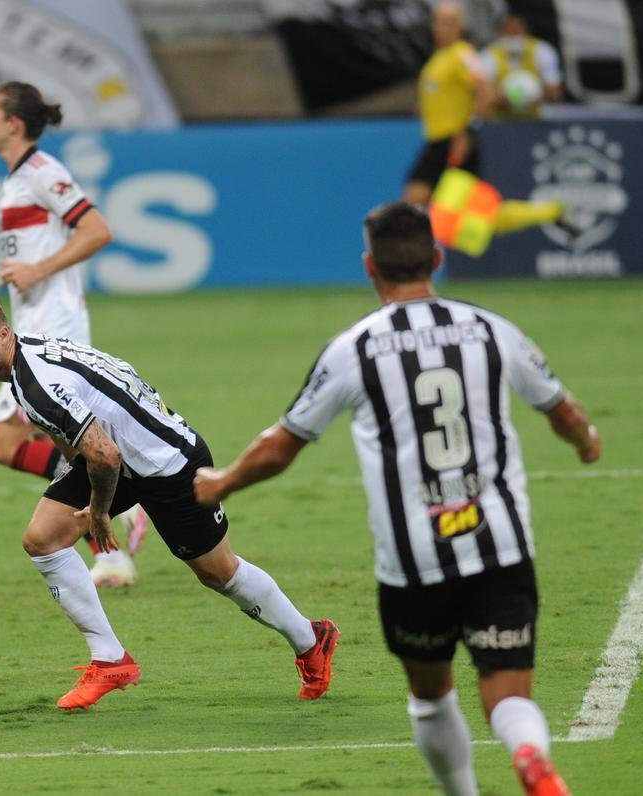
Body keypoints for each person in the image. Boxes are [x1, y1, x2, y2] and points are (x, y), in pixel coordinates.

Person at [194, 201, 600, 795]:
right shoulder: (491, 328)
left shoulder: (354, 348)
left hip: (414, 562)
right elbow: (561, 410)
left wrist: (222, 481)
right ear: (437, 258)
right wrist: (585, 440)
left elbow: (283, 444)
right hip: (499, 547)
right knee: (507, 695)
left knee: (432, 698)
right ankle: (532, 756)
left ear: (370, 268)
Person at [0, 290, 339, 711]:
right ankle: (109, 659)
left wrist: (98, 510)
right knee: (42, 538)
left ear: (2, 335)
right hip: (122, 458)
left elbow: (104, 454)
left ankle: (312, 642)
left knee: (219, 574)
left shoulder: (37, 384)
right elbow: (87, 441)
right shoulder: (27, 360)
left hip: (170, 465)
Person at [0, 81, 147, 588]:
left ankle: (121, 504)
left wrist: (37, 271)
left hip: (47, 330)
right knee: (64, 448)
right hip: (33, 324)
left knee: (10, 441)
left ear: (14, 123)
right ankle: (113, 547)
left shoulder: (42, 172)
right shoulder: (18, 181)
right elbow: (37, 254)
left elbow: (97, 230)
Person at [405, 2, 572, 239]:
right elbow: (444, 94)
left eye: (450, 22)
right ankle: (549, 211)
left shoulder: (463, 54)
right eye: (439, 22)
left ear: (461, 26)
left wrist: (467, 130)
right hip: (438, 141)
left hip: (455, 141)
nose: (442, 28)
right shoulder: (439, 59)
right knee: (469, 215)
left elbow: (485, 90)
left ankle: (410, 265)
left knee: (419, 204)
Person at [481, 14, 563, 121]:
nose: (513, 37)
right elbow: (483, 94)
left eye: (516, 32)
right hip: (500, 121)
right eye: (508, 32)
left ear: (526, 33)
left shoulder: (542, 51)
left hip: (535, 120)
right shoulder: (488, 55)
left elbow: (555, 92)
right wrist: (512, 97)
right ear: (500, 34)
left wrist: (529, 96)